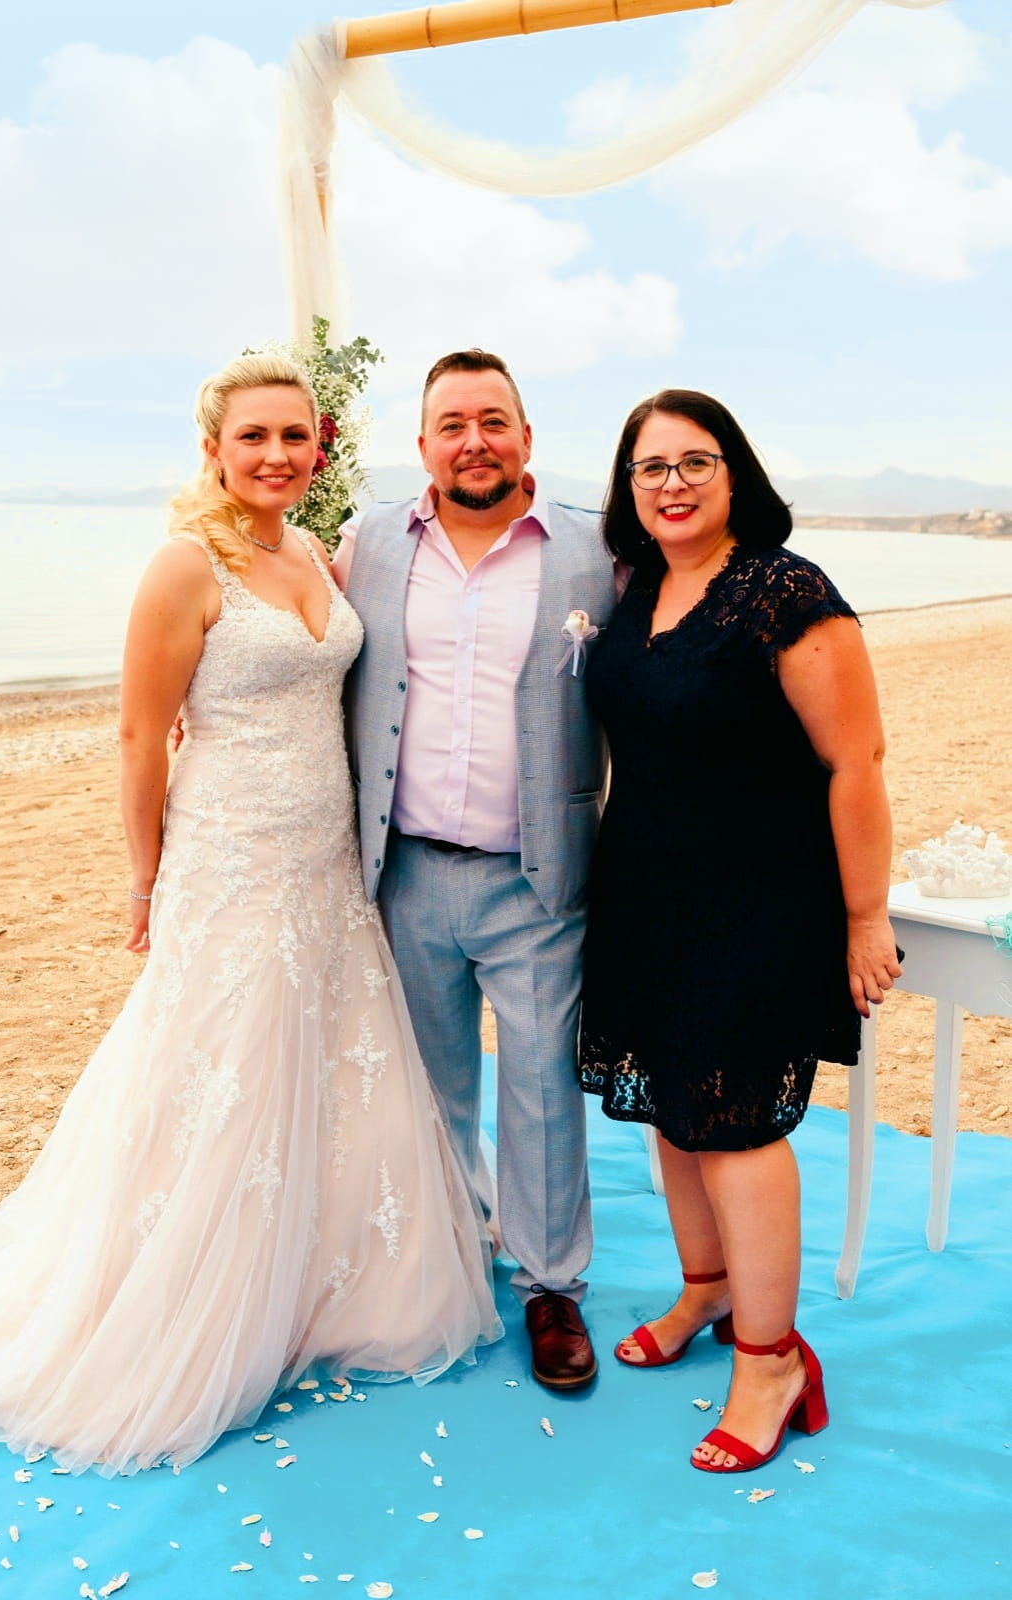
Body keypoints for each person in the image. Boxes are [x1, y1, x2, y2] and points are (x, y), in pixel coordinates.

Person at [0, 353, 501, 1476]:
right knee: (219, 1069)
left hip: (324, 864)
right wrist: (146, 880)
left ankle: (318, 1281)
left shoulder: (311, 550)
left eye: (296, 436)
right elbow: (137, 739)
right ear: (213, 450)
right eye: (254, 437)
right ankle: (192, 1294)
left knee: (326, 1062)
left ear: (320, 448)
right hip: (228, 860)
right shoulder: (181, 565)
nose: (276, 455)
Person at [579, 389, 901, 1471]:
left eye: (693, 461)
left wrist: (864, 916)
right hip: (642, 893)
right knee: (671, 1113)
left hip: (757, 901)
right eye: (649, 467)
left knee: (734, 1124)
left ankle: (770, 1357)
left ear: (735, 475)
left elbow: (855, 762)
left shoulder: (783, 590)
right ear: (628, 489)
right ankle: (707, 1291)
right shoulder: (635, 591)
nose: (670, 482)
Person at [333, 350, 618, 1390]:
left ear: (526, 436)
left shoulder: (595, 552)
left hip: (536, 874)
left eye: (492, 419)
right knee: (429, 1079)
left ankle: (551, 1286)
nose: (474, 440)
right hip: (401, 867)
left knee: (543, 1081)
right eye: (451, 423)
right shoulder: (365, 542)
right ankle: (450, 1246)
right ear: (422, 447)